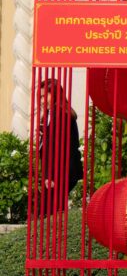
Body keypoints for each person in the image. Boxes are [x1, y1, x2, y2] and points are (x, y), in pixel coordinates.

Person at [35, 78, 85, 212]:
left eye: (45, 96)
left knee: (52, 212)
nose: (42, 101)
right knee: (53, 211)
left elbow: (58, 148)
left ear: (56, 94)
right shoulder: (51, 114)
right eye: (40, 97)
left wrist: (51, 175)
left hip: (60, 172)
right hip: (57, 171)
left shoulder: (61, 114)